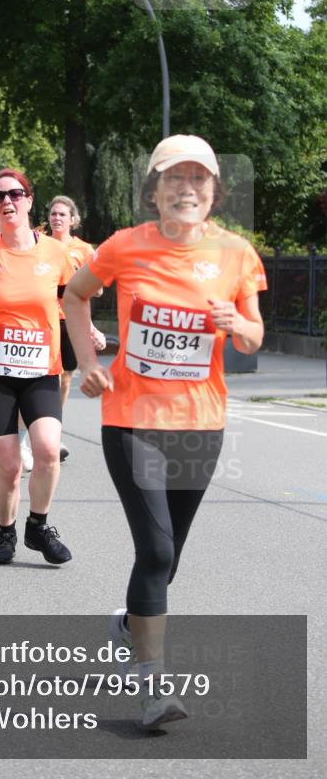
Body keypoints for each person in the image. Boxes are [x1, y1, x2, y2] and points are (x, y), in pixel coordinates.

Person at [63, 134, 266, 730]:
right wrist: (88, 365)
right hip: (130, 420)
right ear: (154, 192)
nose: (186, 188)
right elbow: (75, 298)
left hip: (201, 425)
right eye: (173, 179)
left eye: (198, 179)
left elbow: (253, 335)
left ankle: (128, 625)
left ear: (214, 193)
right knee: (153, 551)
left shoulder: (236, 254)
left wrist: (236, 324)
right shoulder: (125, 247)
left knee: (168, 558)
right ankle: (153, 692)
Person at [0, 168, 75, 566]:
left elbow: (73, 300)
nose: (8, 201)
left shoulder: (55, 253)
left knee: (47, 451)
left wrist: (87, 334)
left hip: (41, 368)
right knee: (8, 466)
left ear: (29, 201)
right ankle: (6, 533)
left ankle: (38, 526)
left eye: (16, 194)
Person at [46, 195, 107, 461]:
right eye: (53, 214)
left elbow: (99, 287)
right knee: (42, 375)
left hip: (70, 319)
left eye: (62, 214)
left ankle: (53, 431)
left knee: (64, 377)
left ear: (72, 220)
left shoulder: (83, 249)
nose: (57, 218)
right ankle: (34, 433)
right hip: (43, 318)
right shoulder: (40, 244)